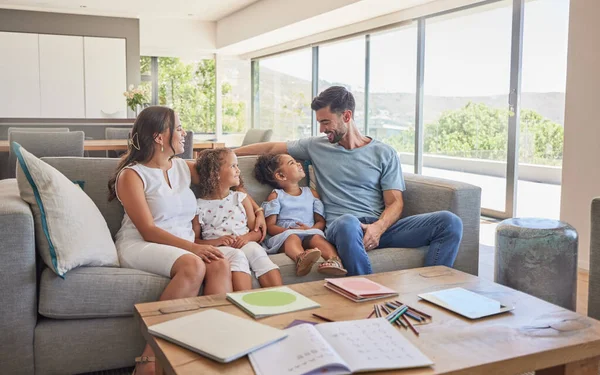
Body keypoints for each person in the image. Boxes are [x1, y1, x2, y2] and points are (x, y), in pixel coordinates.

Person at [235, 86, 463, 276]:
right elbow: (271, 147)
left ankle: (432, 285)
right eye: (319, 123)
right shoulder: (316, 146)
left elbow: (395, 203)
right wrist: (227, 154)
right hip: (341, 227)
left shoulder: (384, 152)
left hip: (379, 227)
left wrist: (378, 228)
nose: (322, 129)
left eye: (326, 122)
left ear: (346, 116)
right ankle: (366, 291)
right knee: (348, 222)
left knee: (449, 222)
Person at [107, 106, 266, 375]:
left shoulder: (183, 167)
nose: (184, 133)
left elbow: (224, 177)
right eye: (178, 128)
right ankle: (148, 361)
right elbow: (147, 229)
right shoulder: (132, 175)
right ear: (159, 137)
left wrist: (258, 209)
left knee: (218, 263)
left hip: (182, 246)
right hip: (142, 244)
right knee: (195, 265)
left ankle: (211, 350)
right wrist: (195, 248)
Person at [194, 148, 283, 289]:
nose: (238, 170)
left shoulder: (240, 198)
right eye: (233, 166)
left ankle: (281, 296)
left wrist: (246, 238)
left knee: (257, 253)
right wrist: (216, 241)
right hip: (219, 247)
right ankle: (243, 302)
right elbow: (194, 240)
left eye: (237, 166)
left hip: (245, 242)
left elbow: (257, 231)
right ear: (215, 173)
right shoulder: (199, 206)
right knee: (238, 257)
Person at [254, 153, 347, 276]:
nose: (298, 164)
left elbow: (320, 221)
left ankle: (334, 260)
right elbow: (270, 226)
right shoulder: (276, 196)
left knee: (317, 238)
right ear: (281, 175)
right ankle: (301, 258)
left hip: (309, 231)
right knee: (293, 238)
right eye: (292, 163)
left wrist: (310, 229)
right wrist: (288, 230)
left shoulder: (312, 194)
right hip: (286, 235)